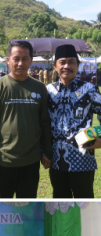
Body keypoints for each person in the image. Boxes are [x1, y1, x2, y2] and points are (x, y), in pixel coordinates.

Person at [0, 40, 52, 198]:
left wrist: (47, 151)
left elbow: (44, 123)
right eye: (16, 58)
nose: (21, 63)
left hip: (31, 162)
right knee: (1, 212)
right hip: (3, 162)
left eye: (25, 58)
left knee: (27, 210)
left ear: (31, 61)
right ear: (8, 61)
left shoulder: (39, 88)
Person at [47, 44, 101, 198]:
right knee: (60, 202)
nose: (67, 66)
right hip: (56, 161)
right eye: (62, 62)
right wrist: (44, 151)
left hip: (83, 160)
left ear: (78, 65)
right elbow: (41, 123)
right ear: (55, 66)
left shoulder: (89, 89)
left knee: (84, 203)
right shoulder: (48, 91)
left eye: (71, 62)